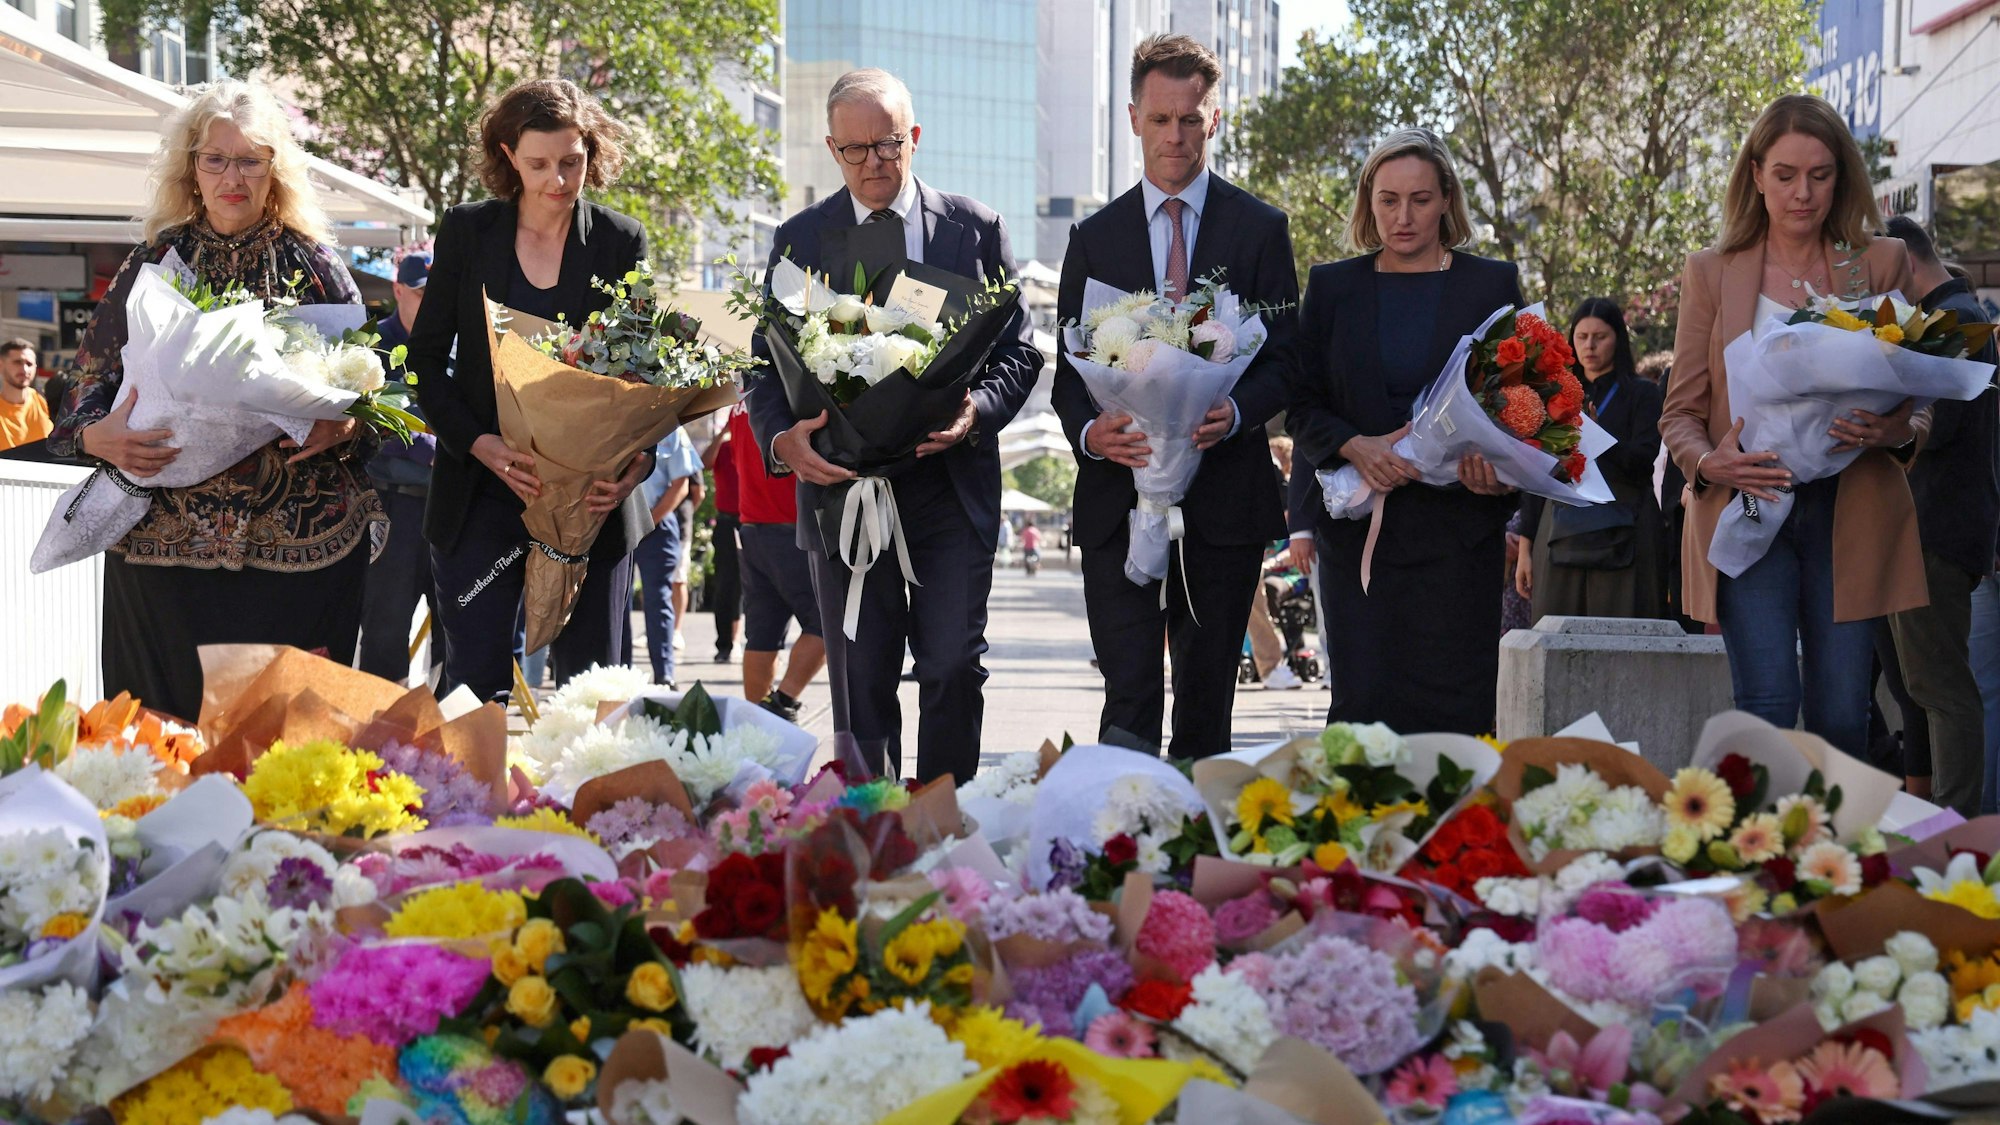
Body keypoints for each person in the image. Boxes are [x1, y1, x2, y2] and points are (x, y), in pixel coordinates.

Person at [45, 79, 380, 721]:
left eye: (251, 159)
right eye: (215, 159)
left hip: (294, 547)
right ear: (190, 168)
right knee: (162, 739)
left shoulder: (315, 266)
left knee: (283, 743)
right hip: (159, 547)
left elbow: (376, 402)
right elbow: (85, 386)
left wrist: (342, 429)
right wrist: (96, 437)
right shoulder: (154, 260)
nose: (233, 176)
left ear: (274, 171)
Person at [746, 68, 1041, 783]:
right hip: (844, 491)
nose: (874, 162)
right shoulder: (801, 238)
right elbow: (764, 366)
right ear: (830, 149)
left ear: (913, 137)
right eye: (855, 150)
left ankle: (947, 820)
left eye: (887, 145)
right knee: (862, 681)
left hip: (949, 485)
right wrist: (784, 442)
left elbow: (1021, 349)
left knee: (950, 664)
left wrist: (977, 411)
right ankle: (873, 835)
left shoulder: (975, 228)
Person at [1052, 34, 1299, 758]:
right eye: (1160, 119)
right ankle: (1121, 850)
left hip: (1224, 499)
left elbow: (1288, 357)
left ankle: (1197, 858)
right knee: (1127, 695)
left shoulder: (1260, 229)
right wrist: (1091, 436)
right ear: (1134, 118)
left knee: (1206, 695)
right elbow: (1070, 373)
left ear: (1214, 121)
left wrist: (1241, 409)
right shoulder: (1093, 238)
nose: (1175, 136)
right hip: (1116, 499)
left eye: (1191, 119)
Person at [1658, 93, 1919, 759]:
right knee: (1768, 704)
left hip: (1851, 508)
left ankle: (1835, 859)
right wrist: (1709, 463)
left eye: (1820, 175)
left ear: (1842, 177)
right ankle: (1764, 858)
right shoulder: (1711, 272)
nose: (1803, 193)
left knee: (1842, 709)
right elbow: (1680, 413)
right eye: (1785, 175)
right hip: (1751, 504)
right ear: (1756, 175)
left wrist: (1896, 430)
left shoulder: (1882, 263)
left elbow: (1925, 391)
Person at [409, 78, 653, 703]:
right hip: (482, 493)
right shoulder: (467, 231)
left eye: (572, 162)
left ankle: (589, 804)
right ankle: (469, 804)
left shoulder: (622, 241)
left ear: (591, 155)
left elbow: (645, 380)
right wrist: (480, 444)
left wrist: (634, 466)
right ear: (508, 154)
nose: (558, 181)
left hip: (591, 499)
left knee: (591, 693)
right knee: (472, 688)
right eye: (540, 164)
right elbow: (426, 362)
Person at [1287, 127, 1523, 736]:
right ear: (1368, 201)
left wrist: (1499, 478)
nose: (1403, 215)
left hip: (1459, 543)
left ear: (1447, 199)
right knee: (1362, 718)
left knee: (1458, 720)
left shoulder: (1490, 285)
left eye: (1419, 199)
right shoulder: (1333, 287)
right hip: (1361, 548)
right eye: (1388, 199)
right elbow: (1301, 401)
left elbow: (1524, 403)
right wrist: (1352, 445)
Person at [1883, 214, 1999, 816]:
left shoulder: (1959, 321)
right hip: (1926, 527)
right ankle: (1939, 823)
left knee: (1942, 688)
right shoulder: (1948, 317)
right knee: (1919, 687)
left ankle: (1955, 828)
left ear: (1903, 260)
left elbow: (1934, 427)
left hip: (1939, 530)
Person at [1516, 298, 1667, 622]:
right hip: (1559, 525)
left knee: (1625, 631)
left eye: (1600, 336)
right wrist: (1526, 547)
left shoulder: (1642, 393)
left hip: (1626, 522)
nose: (1590, 345)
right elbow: (1535, 468)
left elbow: (1644, 460)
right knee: (1554, 632)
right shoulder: (1554, 392)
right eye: (1582, 336)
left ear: (1618, 339)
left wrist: (1596, 435)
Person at [357, 250, 439, 682]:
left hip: (446, 508)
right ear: (397, 291)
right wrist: (435, 443)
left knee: (456, 631)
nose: (429, 302)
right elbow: (374, 427)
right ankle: (380, 732)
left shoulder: (457, 345)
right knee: (385, 630)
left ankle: (452, 730)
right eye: (420, 294)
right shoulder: (372, 347)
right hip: (392, 511)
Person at [728, 400, 827, 721]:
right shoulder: (789, 395)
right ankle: (781, 702)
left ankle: (758, 723)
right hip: (790, 525)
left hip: (752, 525)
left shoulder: (743, 404)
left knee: (762, 632)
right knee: (831, 623)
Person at [631, 427, 702, 687]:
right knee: (616, 601)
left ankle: (664, 674)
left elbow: (681, 485)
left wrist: (649, 521)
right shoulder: (615, 419)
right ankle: (619, 670)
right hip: (617, 523)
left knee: (658, 599)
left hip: (656, 524)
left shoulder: (671, 430)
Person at [703, 419, 743, 662]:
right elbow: (704, 463)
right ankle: (725, 643)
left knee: (747, 586)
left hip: (752, 521)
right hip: (727, 523)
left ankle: (740, 641)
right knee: (726, 586)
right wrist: (722, 434)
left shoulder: (757, 447)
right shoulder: (725, 450)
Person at [0, 339, 52, 452]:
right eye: (17, 362)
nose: (24, 369)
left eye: (29, 364)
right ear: (1, 365)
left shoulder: (43, 400)